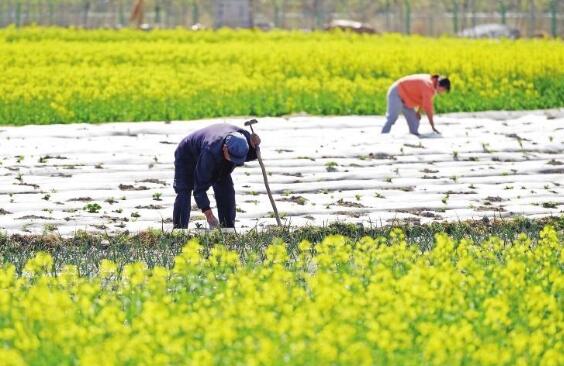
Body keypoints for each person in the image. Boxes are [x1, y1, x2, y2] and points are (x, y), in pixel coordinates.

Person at [173, 123, 260, 229]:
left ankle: (228, 228)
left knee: (226, 189)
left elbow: (251, 153)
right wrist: (209, 215)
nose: (235, 162)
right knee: (184, 189)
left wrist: (256, 146)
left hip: (215, 149)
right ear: (225, 149)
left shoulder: (244, 138)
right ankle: (179, 230)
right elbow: (199, 188)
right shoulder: (209, 154)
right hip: (187, 153)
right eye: (232, 158)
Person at [381, 74, 451, 136]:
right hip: (397, 93)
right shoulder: (428, 85)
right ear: (439, 85)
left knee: (415, 121)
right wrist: (432, 126)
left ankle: (413, 138)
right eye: (444, 90)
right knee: (392, 118)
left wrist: (418, 112)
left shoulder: (432, 84)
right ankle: (382, 136)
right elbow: (428, 109)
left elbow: (423, 100)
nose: (443, 92)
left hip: (407, 98)